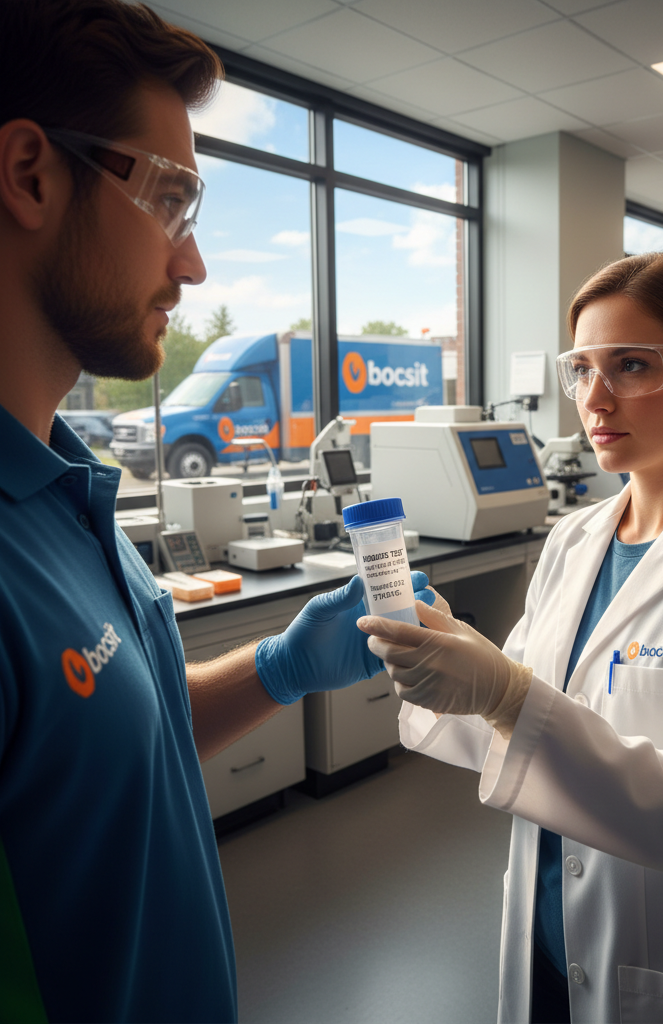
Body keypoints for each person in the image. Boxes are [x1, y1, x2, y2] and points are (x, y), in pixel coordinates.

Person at [0, 3, 433, 1020]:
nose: (191, 267)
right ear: (29, 174)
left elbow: (109, 745)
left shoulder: (68, 484)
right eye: (170, 198)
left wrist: (280, 664)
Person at [360, 251, 663, 1024]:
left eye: (633, 366)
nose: (595, 399)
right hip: (551, 935)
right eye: (582, 368)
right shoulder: (575, 539)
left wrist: (508, 695)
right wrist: (439, 662)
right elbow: (511, 727)